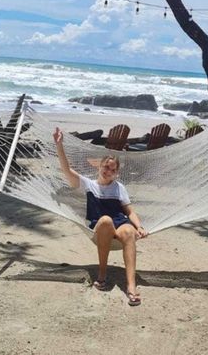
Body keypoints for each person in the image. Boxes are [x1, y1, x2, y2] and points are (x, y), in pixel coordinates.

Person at [53, 127, 147, 306]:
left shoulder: (119, 188)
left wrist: (139, 226)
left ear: (116, 173)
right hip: (100, 226)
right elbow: (66, 169)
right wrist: (59, 145)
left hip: (120, 224)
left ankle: (131, 285)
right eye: (106, 167)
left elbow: (129, 211)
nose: (108, 171)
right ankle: (102, 274)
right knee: (105, 220)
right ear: (99, 166)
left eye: (112, 169)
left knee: (129, 231)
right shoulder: (88, 185)